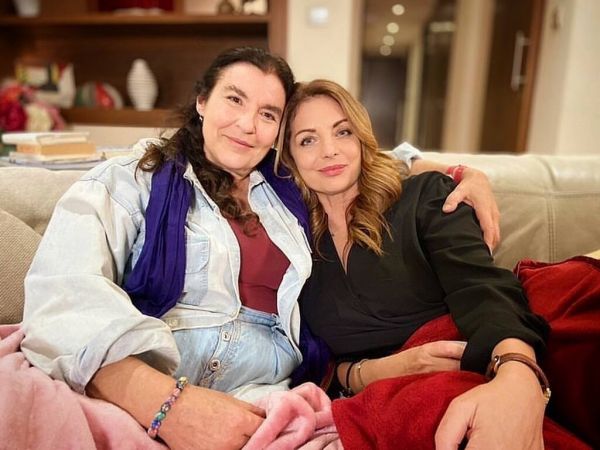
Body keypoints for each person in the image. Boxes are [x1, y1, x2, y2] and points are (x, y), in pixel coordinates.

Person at [21, 47, 498, 450]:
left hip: (266, 397)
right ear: (202, 101)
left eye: (268, 114)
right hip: (147, 378)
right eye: (234, 99)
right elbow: (64, 289)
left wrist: (462, 173)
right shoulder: (132, 180)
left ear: (278, 133)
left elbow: (361, 157)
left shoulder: (290, 185)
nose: (248, 125)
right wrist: (167, 404)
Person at [276, 79, 551, 449]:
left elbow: (482, 289)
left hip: (470, 374)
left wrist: (517, 372)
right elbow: (313, 358)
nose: (329, 151)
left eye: (343, 132)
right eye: (308, 140)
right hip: (380, 405)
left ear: (362, 138)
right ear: (289, 157)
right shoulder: (292, 247)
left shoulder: (425, 197)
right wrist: (372, 372)